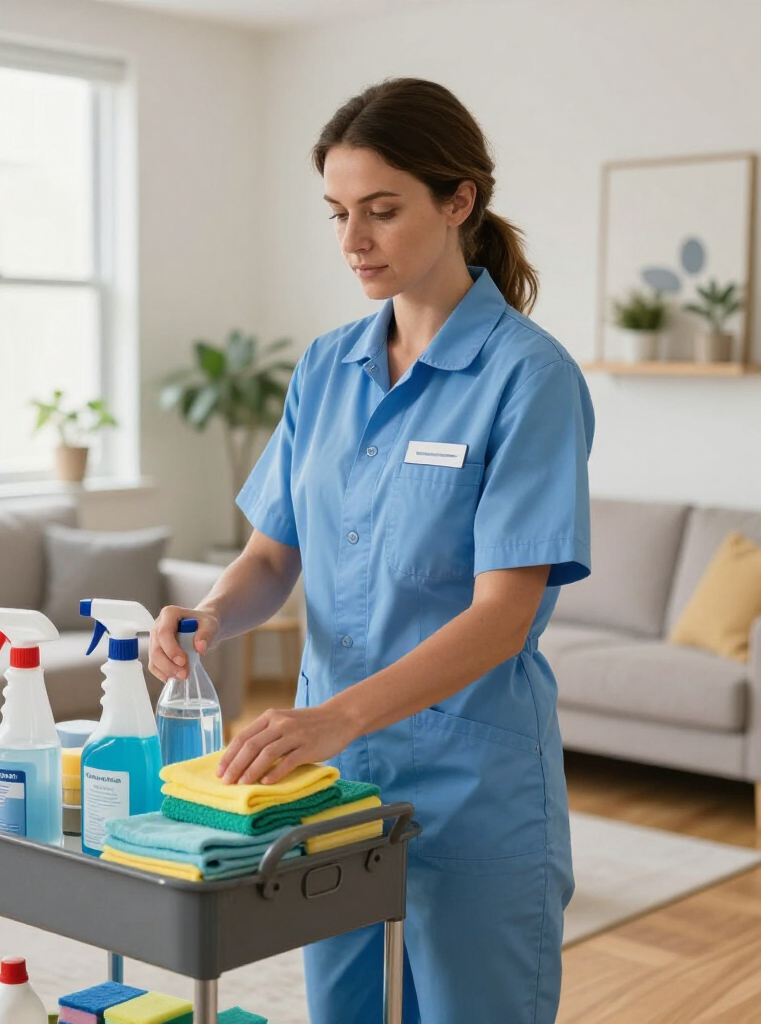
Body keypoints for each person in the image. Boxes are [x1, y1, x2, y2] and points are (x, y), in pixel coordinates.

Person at [149, 78, 594, 1024]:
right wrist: (215, 614)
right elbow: (275, 555)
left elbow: (503, 614)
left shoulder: (529, 378)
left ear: (458, 201)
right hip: (326, 781)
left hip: (471, 784)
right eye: (339, 213)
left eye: (382, 212)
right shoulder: (326, 367)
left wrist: (339, 716)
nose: (354, 241)